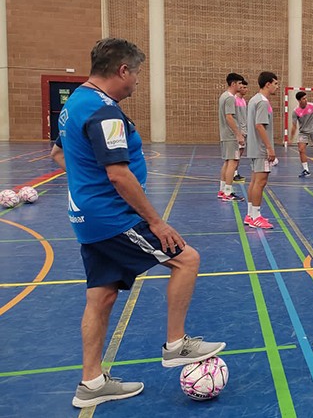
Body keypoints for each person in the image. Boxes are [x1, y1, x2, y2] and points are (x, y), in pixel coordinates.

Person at [50, 38, 224, 409]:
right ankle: (177, 344)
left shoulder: (74, 104)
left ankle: (92, 382)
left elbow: (59, 155)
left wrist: (86, 186)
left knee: (101, 295)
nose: (138, 83)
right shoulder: (105, 112)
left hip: (87, 217)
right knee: (185, 258)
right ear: (122, 70)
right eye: (137, 74)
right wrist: (156, 222)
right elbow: (119, 176)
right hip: (111, 217)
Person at [245, 71, 280, 230]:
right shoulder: (262, 102)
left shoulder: (253, 99)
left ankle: (251, 214)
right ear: (268, 84)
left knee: (254, 181)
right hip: (260, 149)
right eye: (276, 84)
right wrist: (269, 147)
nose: (277, 87)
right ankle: (256, 217)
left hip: (253, 147)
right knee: (260, 182)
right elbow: (259, 125)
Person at [217, 73, 246, 202]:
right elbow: (229, 117)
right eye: (239, 83)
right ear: (233, 84)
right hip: (230, 135)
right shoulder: (229, 98)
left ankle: (223, 189)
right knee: (233, 162)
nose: (241, 86)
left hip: (225, 134)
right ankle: (228, 192)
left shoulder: (224, 96)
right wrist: (238, 134)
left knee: (228, 162)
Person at [233, 79, 248, 182]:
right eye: (243, 87)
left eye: (246, 87)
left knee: (240, 153)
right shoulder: (234, 100)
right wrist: (238, 131)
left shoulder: (243, 100)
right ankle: (233, 174)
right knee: (236, 154)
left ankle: (236, 172)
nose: (245, 89)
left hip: (244, 130)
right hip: (238, 132)